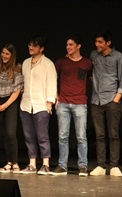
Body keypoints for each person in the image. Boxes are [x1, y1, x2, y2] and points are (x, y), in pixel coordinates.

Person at [50, 34, 92, 177]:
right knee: (62, 136)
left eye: (71, 45)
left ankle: (83, 166)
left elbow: (91, 79)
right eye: (67, 45)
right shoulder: (61, 62)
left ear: (78, 46)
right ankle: (62, 166)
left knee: (81, 136)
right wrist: (55, 95)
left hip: (80, 103)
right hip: (63, 103)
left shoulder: (87, 63)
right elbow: (52, 79)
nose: (68, 47)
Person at [19, 35, 57, 175]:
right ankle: (32, 164)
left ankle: (45, 164)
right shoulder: (25, 63)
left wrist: (49, 102)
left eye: (34, 45)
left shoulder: (48, 64)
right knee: (28, 135)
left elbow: (52, 83)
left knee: (42, 136)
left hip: (41, 104)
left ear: (41, 48)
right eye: (29, 45)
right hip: (26, 104)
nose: (30, 48)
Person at [89, 31, 122, 177]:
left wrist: (117, 97)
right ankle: (101, 165)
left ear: (108, 43)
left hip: (111, 100)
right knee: (99, 135)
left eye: (100, 42)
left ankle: (114, 165)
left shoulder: (119, 57)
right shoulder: (94, 55)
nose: (97, 45)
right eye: (96, 42)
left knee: (113, 134)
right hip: (96, 100)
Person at [0, 43, 24, 173]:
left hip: (11, 102)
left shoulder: (17, 68)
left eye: (7, 54)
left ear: (12, 56)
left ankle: (15, 162)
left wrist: (6, 105)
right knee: (4, 134)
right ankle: (8, 162)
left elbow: (17, 90)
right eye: (3, 53)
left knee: (11, 133)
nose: (4, 56)